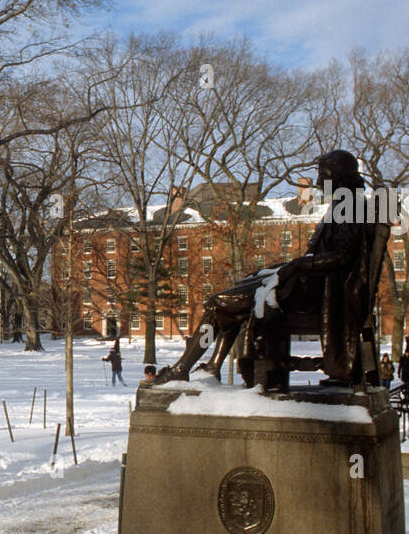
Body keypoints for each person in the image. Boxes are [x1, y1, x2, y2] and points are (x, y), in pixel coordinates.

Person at [149, 150, 374, 387]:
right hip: (310, 286)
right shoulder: (348, 205)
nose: (318, 182)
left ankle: (183, 368)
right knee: (231, 299)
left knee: (218, 304)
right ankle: (212, 365)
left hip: (315, 293)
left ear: (338, 177)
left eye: (323, 175)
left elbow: (342, 256)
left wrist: (297, 264)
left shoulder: (349, 207)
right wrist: (284, 267)